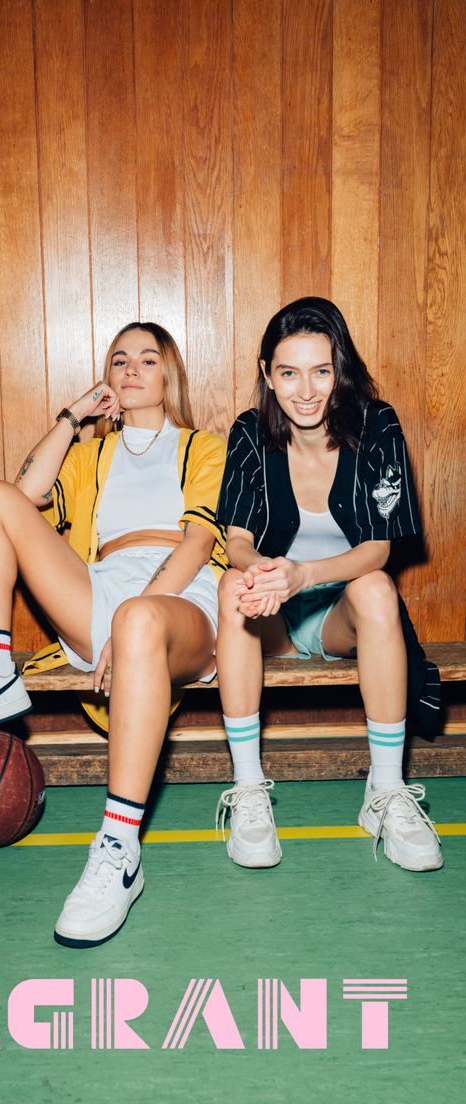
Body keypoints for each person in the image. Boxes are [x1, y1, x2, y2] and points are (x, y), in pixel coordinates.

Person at [0, 322, 228, 944]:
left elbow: (198, 542)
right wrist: (73, 416)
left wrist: (132, 618)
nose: (132, 369)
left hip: (181, 591)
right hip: (102, 583)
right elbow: (26, 493)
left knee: (138, 619)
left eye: (148, 359)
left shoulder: (205, 447)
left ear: (170, 375)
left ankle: (118, 851)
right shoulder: (90, 456)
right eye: (120, 361)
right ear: (108, 378)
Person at [214, 296, 442, 873]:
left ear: (342, 369)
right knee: (229, 585)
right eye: (289, 373)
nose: (307, 390)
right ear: (267, 374)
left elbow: (379, 549)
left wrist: (304, 575)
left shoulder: (377, 423)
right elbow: (236, 538)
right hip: (273, 616)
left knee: (377, 587)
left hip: (337, 611)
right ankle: (248, 792)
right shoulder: (249, 431)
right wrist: (262, 571)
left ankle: (385, 793)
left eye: (322, 370)